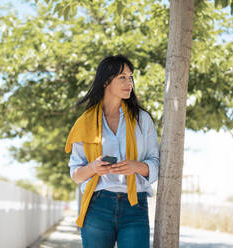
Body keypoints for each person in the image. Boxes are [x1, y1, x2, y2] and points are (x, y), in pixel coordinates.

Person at [64, 54, 160, 248]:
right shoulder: (85, 122)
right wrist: (94, 167)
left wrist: (136, 166)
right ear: (107, 81)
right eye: (122, 77)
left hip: (135, 205)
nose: (129, 83)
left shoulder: (142, 120)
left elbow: (156, 164)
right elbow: (76, 174)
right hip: (97, 205)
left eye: (130, 77)